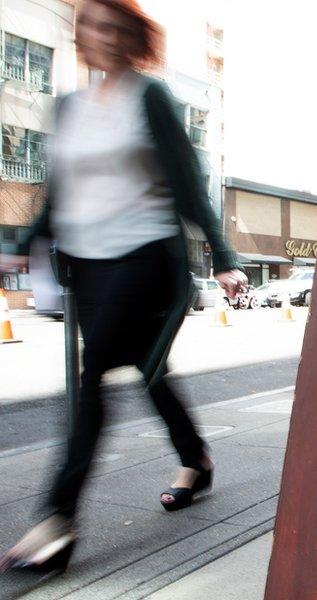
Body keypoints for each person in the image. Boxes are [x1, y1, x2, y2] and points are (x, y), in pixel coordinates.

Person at [0, 0, 247, 575]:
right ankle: (196, 459)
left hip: (145, 257)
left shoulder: (149, 97)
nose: (101, 36)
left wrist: (225, 255)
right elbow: (57, 192)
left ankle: (58, 518)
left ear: (132, 37)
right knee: (147, 368)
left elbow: (188, 183)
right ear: (79, 35)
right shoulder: (68, 107)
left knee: (93, 378)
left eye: (113, 27)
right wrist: (23, 245)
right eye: (90, 25)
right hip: (88, 266)